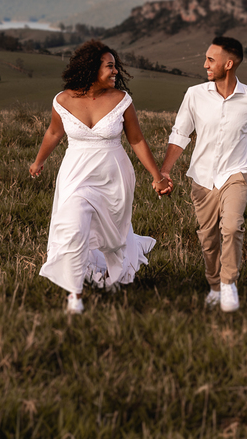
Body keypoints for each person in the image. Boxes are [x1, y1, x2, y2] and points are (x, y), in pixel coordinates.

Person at [30, 40, 171, 314]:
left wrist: (157, 177)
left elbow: (137, 140)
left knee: (113, 237)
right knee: (73, 228)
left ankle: (112, 276)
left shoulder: (121, 100)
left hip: (113, 177)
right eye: (110, 66)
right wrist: (38, 162)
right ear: (92, 68)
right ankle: (75, 294)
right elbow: (53, 133)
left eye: (115, 66)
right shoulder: (63, 100)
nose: (115, 71)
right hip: (76, 175)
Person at [159, 36, 247, 313]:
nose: (205, 64)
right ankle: (214, 285)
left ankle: (228, 284)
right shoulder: (194, 94)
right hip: (202, 177)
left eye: (210, 60)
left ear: (229, 64)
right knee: (208, 238)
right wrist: (165, 170)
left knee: (232, 226)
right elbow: (180, 134)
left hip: (236, 174)